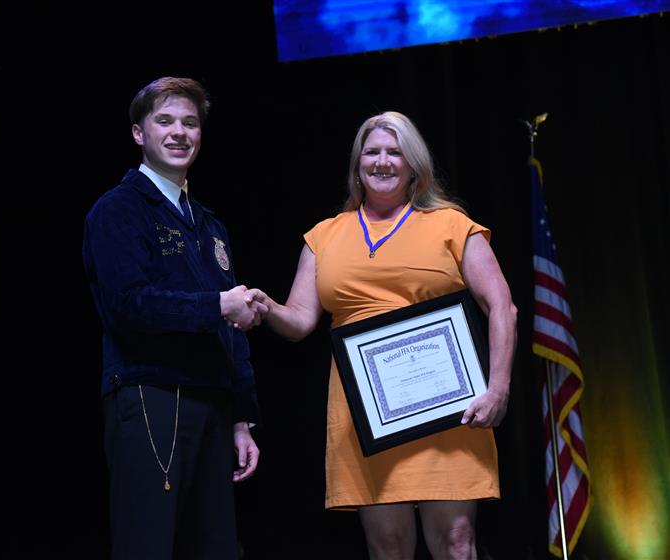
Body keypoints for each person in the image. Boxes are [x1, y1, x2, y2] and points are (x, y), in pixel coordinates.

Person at [246, 111, 517, 559]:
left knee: (456, 542)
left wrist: (498, 389)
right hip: (367, 415)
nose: (383, 161)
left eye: (395, 152)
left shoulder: (451, 224)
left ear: (414, 166)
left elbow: (502, 307)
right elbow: (298, 320)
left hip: (449, 408)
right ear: (358, 165)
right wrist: (266, 307)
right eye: (371, 152)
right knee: (387, 546)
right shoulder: (324, 236)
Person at [82, 76, 265, 560]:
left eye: (190, 122)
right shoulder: (118, 210)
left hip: (212, 402)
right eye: (165, 121)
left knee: (216, 548)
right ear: (139, 133)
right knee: (150, 545)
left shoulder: (210, 223)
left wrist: (242, 416)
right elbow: (129, 305)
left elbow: (233, 331)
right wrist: (217, 305)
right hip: (150, 394)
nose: (179, 132)